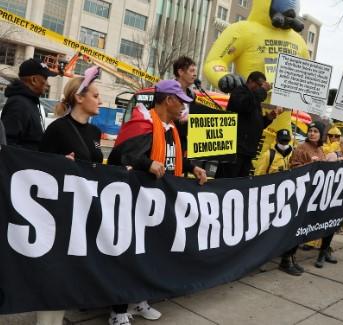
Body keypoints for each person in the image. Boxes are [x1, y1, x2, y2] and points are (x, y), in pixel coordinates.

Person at [108, 79, 207, 325]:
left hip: (160, 204)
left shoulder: (171, 128)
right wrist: (146, 163)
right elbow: (123, 154)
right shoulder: (142, 122)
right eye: (181, 101)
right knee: (131, 256)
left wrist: (193, 167)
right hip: (137, 202)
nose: (184, 106)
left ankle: (139, 299)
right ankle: (118, 311)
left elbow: (176, 157)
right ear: (169, 100)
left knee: (151, 255)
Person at [37, 66, 103, 325]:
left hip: (84, 210)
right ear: (79, 97)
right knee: (54, 270)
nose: (100, 100)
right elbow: (36, 167)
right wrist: (58, 163)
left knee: (69, 271)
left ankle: (58, 319)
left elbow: (97, 165)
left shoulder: (96, 133)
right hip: (60, 211)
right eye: (95, 95)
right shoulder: (58, 128)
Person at [279, 121, 326, 276]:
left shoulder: (320, 150)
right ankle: (285, 260)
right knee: (294, 227)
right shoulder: (301, 148)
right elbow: (293, 168)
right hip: (299, 192)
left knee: (301, 228)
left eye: (315, 131)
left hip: (312, 194)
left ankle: (292, 256)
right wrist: (309, 164)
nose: (312, 133)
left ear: (321, 134)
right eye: (310, 130)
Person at [216, 71, 280, 178]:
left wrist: (269, 117)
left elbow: (256, 124)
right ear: (250, 81)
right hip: (235, 149)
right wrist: (262, 90)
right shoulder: (239, 92)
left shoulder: (255, 100)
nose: (261, 88)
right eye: (259, 85)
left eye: (262, 86)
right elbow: (244, 105)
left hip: (247, 151)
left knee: (240, 184)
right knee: (226, 181)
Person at [312, 134, 343, 265]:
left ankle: (326, 249)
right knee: (329, 223)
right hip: (329, 197)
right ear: (341, 144)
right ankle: (322, 253)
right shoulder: (333, 156)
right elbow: (322, 172)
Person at [1, 58, 57, 150]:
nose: (48, 84)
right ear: (34, 80)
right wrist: (37, 158)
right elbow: (7, 146)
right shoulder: (18, 104)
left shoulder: (28, 101)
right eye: (45, 78)